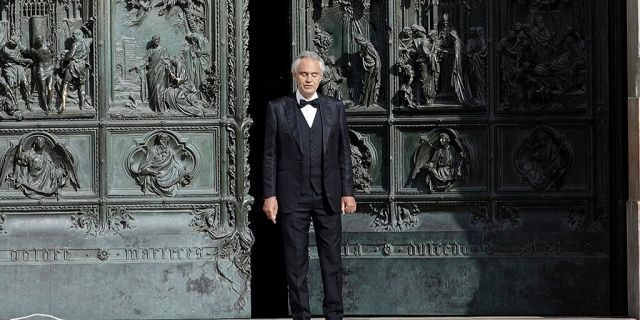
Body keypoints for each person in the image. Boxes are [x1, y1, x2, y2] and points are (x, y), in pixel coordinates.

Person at [262, 51, 357, 320]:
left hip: (329, 194)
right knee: (295, 263)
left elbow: (344, 153)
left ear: (321, 77)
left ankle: (334, 314)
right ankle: (301, 315)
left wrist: (348, 192)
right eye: (303, 74)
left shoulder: (334, 108)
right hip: (292, 195)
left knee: (332, 261)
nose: (308, 79)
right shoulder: (278, 108)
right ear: (294, 76)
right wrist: (270, 195)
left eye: (314, 74)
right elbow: (270, 155)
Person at [130, 35, 170, 113]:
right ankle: (155, 108)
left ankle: (161, 109)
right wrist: (136, 65)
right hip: (152, 74)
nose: (157, 41)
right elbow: (145, 60)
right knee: (153, 91)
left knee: (159, 90)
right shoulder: (150, 51)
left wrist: (168, 65)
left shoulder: (163, 49)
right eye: (155, 40)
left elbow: (167, 59)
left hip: (161, 73)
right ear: (153, 41)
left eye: (158, 39)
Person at [60, 29, 92, 113]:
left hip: (73, 65)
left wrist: (63, 56)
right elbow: (92, 38)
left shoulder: (75, 44)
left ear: (79, 35)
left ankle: (63, 105)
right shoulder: (87, 42)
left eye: (74, 36)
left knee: (65, 83)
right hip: (82, 65)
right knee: (81, 86)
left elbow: (70, 56)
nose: (73, 38)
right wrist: (88, 30)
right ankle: (82, 105)